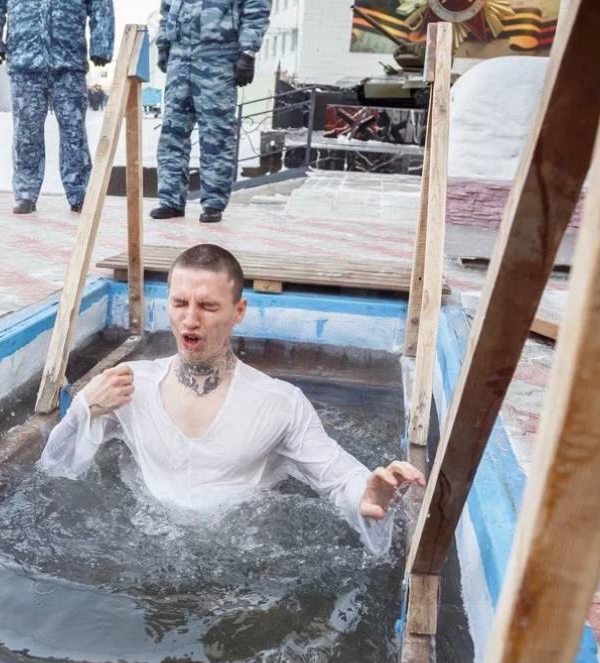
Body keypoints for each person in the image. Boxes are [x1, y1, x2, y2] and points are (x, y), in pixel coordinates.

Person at [38, 244, 424, 553]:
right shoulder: (128, 387)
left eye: (207, 306)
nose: (191, 319)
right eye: (179, 303)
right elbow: (54, 469)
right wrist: (84, 409)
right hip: (141, 549)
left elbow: (338, 477)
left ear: (239, 311)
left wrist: (367, 496)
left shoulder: (278, 404)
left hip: (242, 561)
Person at [0, 0, 114, 215]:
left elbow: (101, 4)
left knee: (74, 133)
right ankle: (26, 193)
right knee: (26, 133)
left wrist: (102, 44)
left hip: (69, 60)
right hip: (25, 61)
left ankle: (80, 193)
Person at [150, 0, 270, 224]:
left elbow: (256, 8)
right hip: (180, 55)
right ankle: (170, 200)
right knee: (172, 133)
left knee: (216, 133)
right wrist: (164, 43)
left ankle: (213, 203)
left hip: (218, 56)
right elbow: (166, 8)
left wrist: (247, 52)